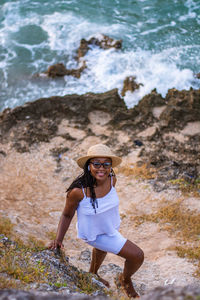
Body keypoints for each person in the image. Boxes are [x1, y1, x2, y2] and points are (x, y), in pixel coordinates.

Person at [49, 144, 144, 298]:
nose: (102, 168)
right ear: (89, 166)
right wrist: (58, 240)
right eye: (97, 164)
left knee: (102, 249)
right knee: (137, 255)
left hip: (109, 226)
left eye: (106, 164)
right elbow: (67, 215)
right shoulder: (78, 192)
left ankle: (93, 274)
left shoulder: (112, 180)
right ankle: (125, 280)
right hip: (93, 234)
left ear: (111, 166)